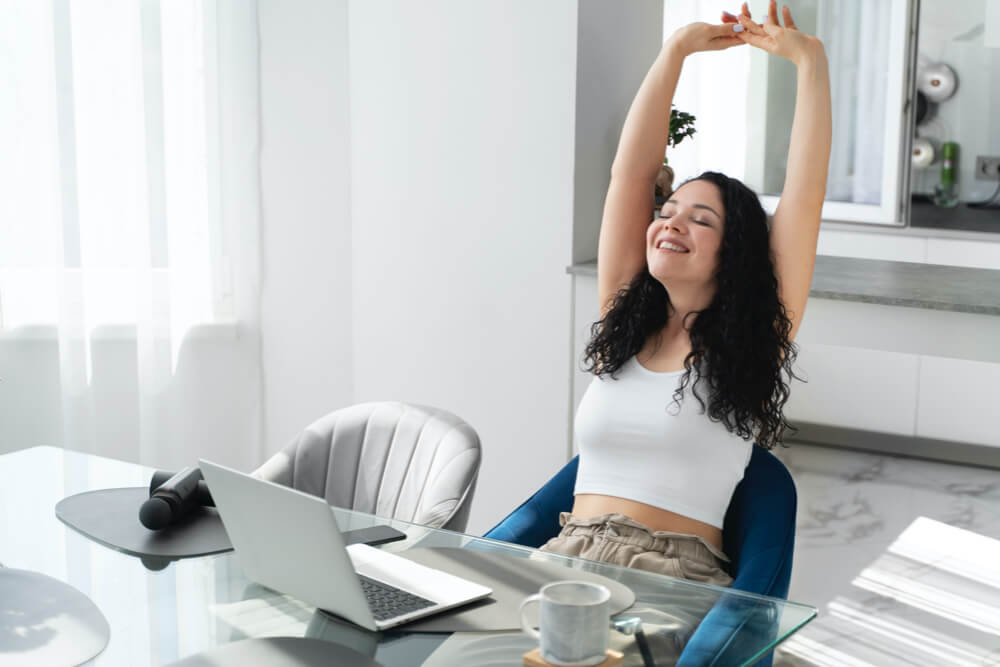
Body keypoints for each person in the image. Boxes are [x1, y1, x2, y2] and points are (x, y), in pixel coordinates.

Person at [540, 2, 832, 588]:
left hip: (670, 575)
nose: (669, 223)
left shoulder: (754, 342)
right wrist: (675, 51)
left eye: (699, 220)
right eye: (667, 211)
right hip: (564, 557)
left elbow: (804, 194)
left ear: (735, 255)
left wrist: (811, 61)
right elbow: (631, 174)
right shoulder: (623, 320)